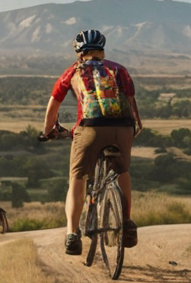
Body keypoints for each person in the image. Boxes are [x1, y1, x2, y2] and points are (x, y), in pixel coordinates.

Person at [42, 29, 142, 256]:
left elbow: (53, 106)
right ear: (102, 49)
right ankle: (126, 222)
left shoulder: (72, 71)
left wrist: (48, 131)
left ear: (79, 52)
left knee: (77, 176)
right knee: (123, 171)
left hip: (90, 128)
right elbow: (132, 103)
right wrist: (134, 127)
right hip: (124, 127)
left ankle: (71, 234)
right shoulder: (120, 70)